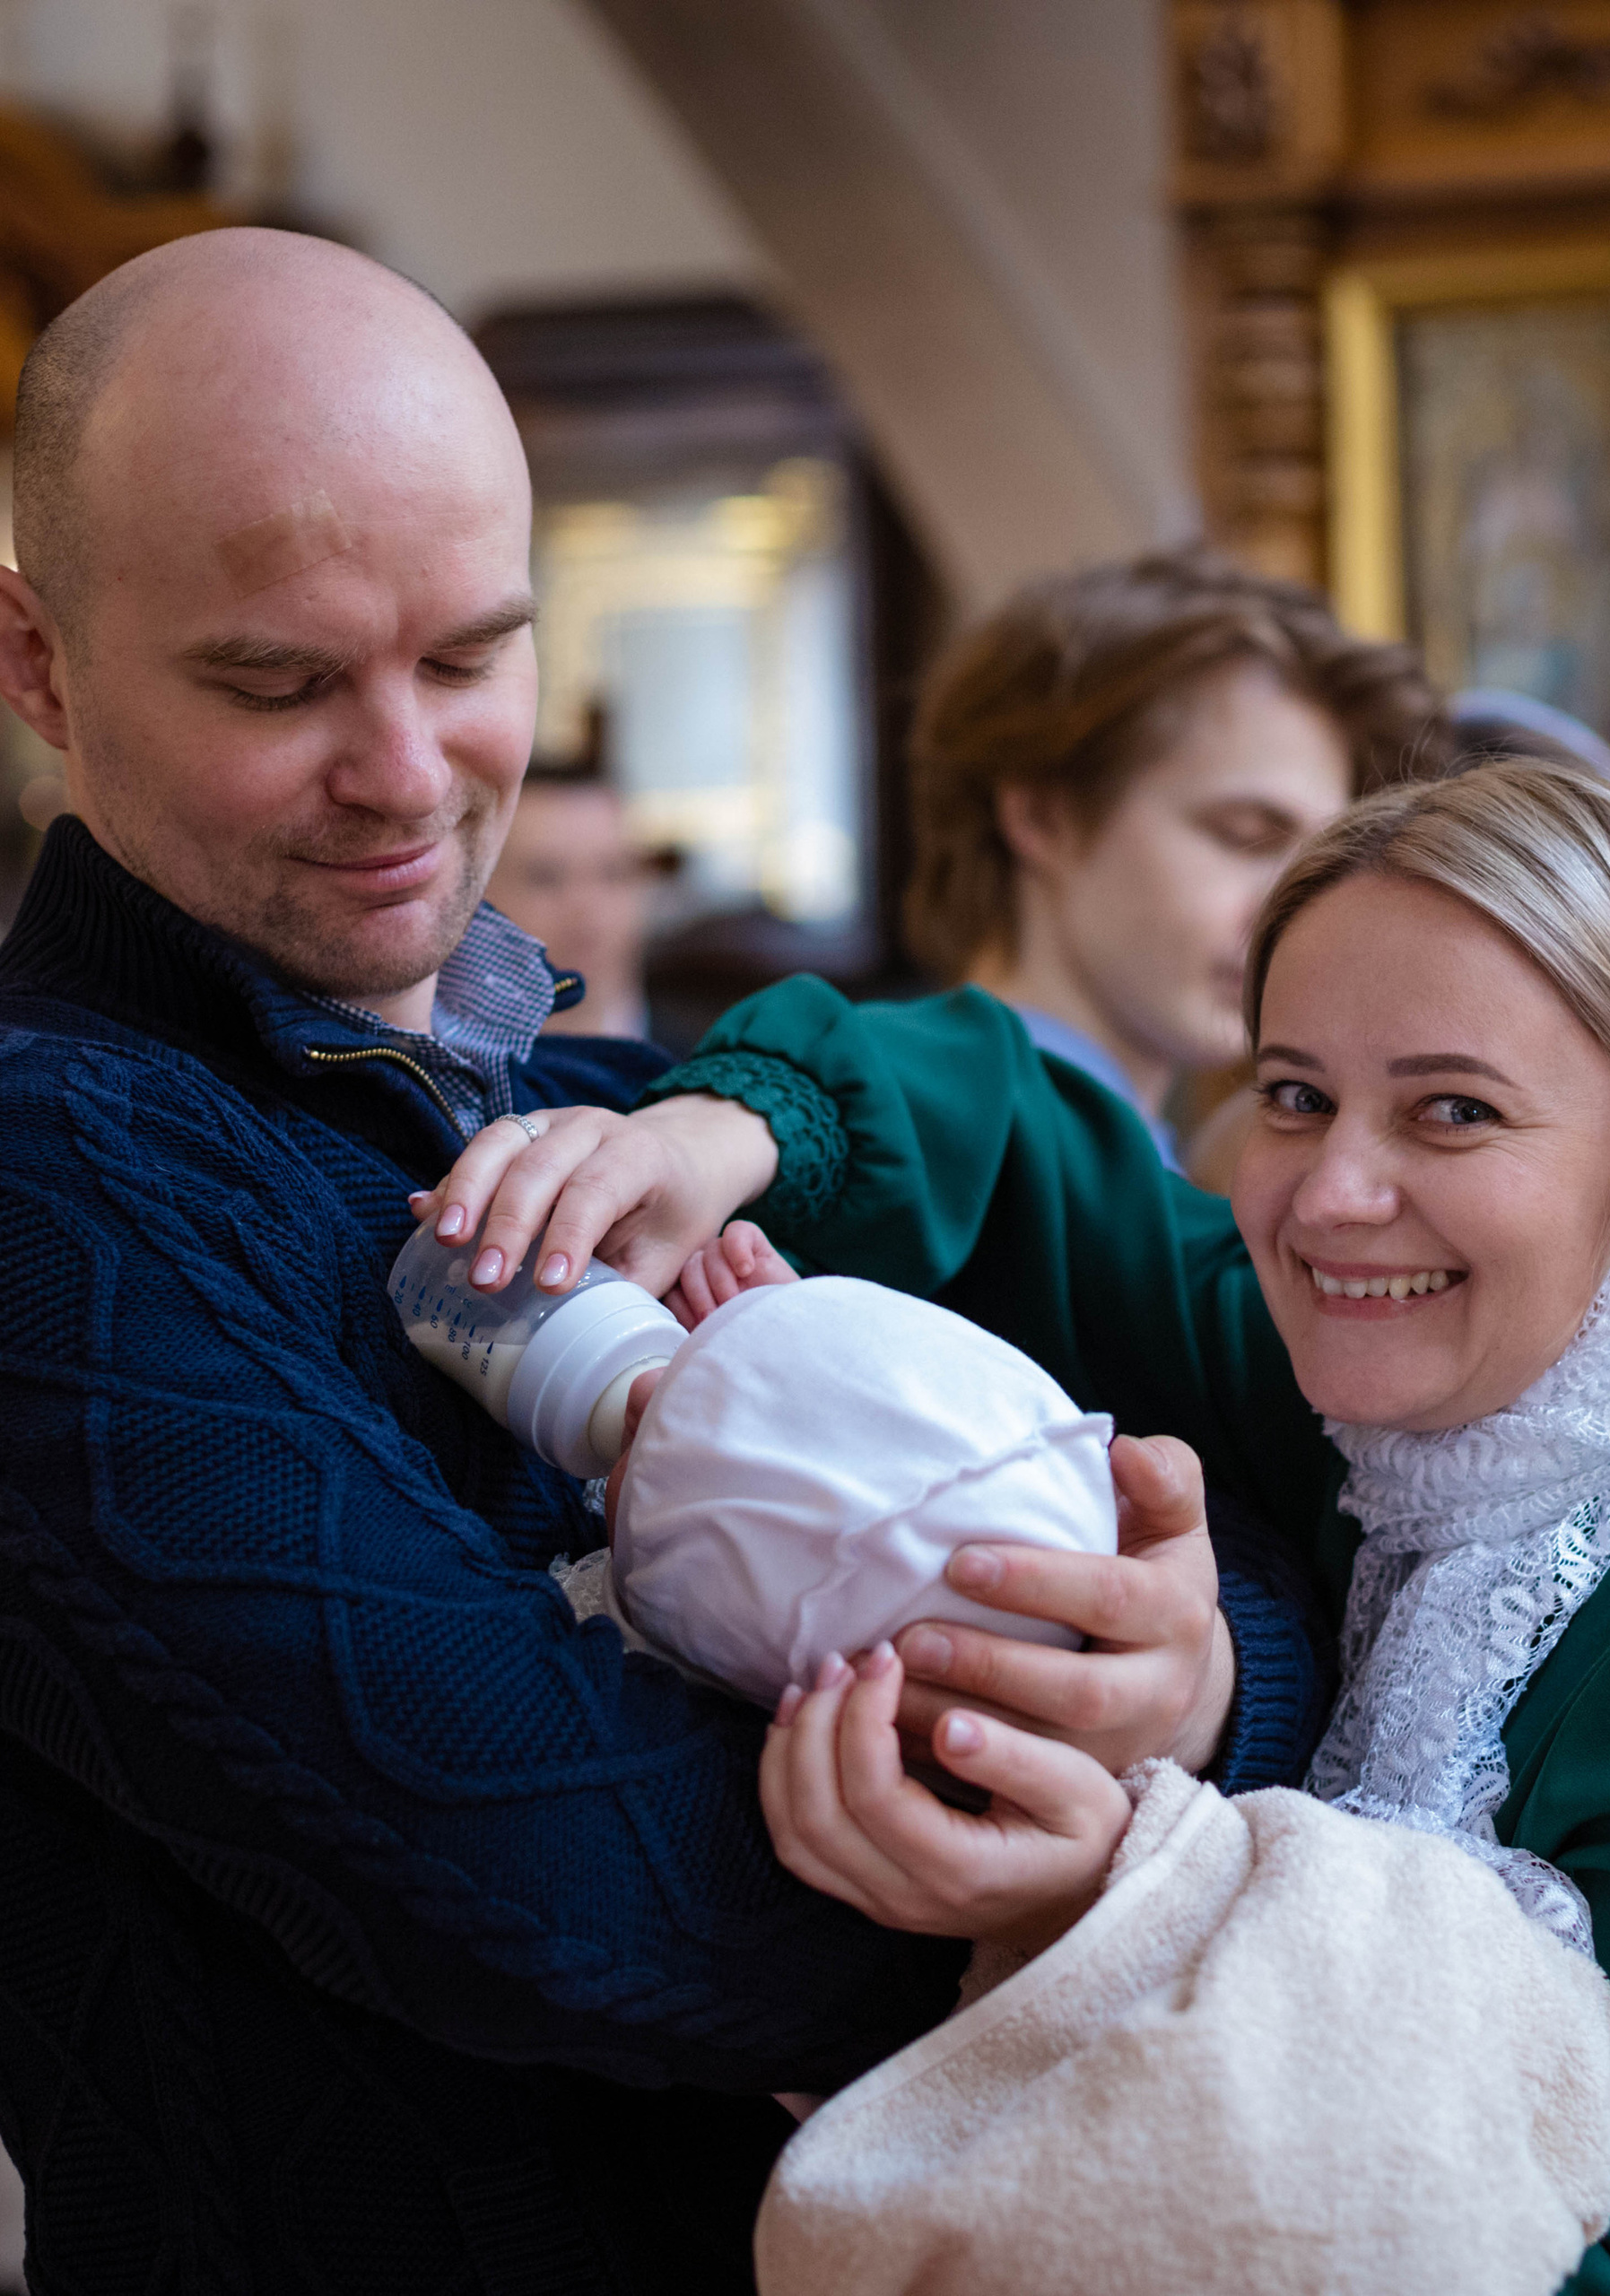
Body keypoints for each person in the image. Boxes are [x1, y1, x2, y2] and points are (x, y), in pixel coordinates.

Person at [0, 228, 1321, 2294]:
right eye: (276, 679)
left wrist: (1197, 1662)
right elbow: (544, 1870)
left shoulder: (633, 1098)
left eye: (468, 656)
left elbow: (1240, 1512)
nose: (408, 774)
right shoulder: (51, 1165)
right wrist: (1108, 1835)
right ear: (39, 662)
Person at [436, 756, 1610, 2292]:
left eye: (1454, 1111)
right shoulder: (1344, 1409)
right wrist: (712, 1136)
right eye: (1294, 1096)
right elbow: (1022, 1122)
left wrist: (1105, 1904)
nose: (1330, 1197)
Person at [905, 546, 1440, 1170]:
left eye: (1322, 857)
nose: (1295, 912)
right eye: (1245, 833)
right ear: (1044, 817)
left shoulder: (1131, 1159)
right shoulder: (924, 1137)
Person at [485, 751, 659, 1039]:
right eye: (545, 878)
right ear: (479, 896)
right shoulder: (425, 1072)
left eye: (612, 874)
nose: (586, 906)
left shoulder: (710, 1066)